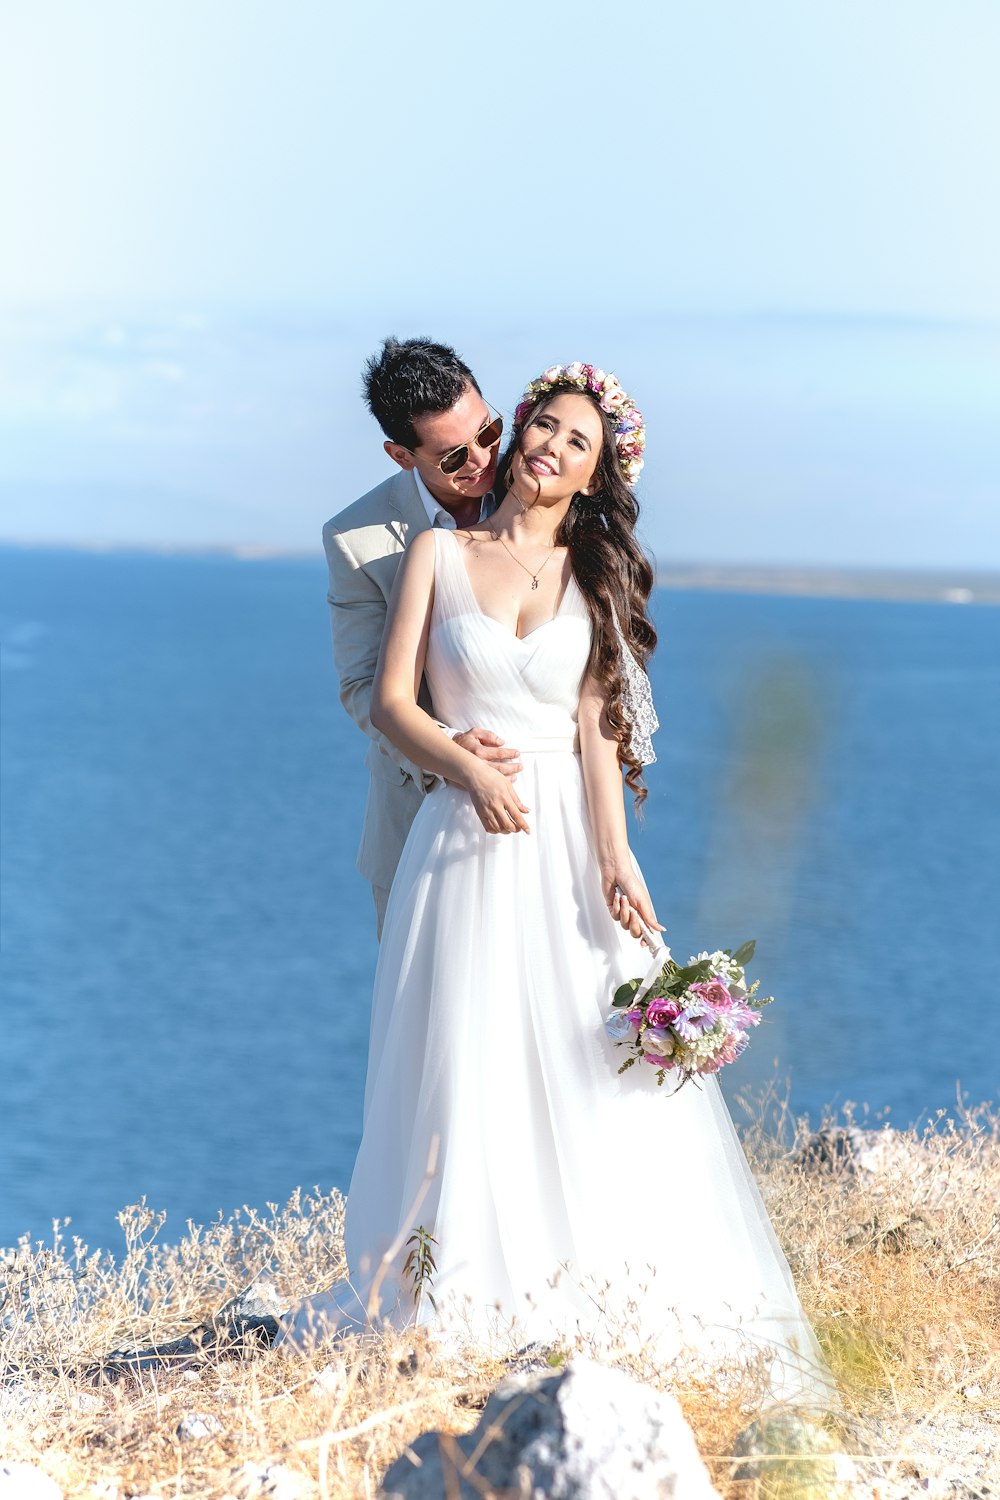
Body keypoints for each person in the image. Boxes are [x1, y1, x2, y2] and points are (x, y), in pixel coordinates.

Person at [286, 362, 832, 1404]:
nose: (529, 450)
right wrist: (461, 761)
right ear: (408, 457)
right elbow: (384, 699)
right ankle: (450, 1299)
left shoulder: (594, 575)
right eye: (539, 430)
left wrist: (618, 858)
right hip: (457, 839)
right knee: (462, 1061)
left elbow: (593, 730)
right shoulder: (432, 551)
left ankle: (602, 1292)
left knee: (594, 1059)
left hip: (567, 853)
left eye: (564, 441)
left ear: (594, 474)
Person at [325, 336, 523, 937]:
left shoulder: (536, 483)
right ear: (400, 455)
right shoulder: (355, 537)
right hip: (416, 817)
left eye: (488, 434)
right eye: (454, 456)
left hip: (545, 805)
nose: (484, 462)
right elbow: (361, 685)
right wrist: (448, 749)